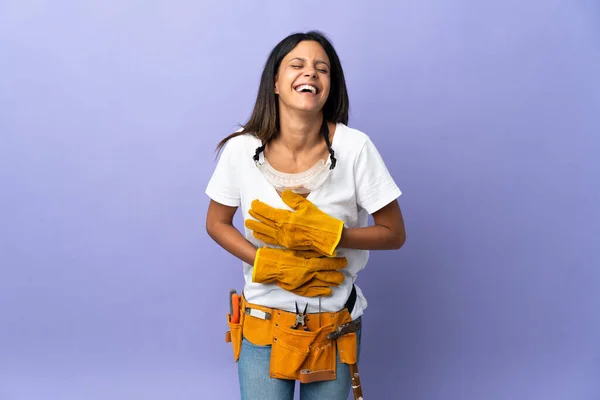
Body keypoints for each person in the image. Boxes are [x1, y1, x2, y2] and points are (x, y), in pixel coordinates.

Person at [205, 30, 406, 400]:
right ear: (276, 83)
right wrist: (266, 261)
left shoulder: (355, 148)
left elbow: (394, 233)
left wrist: (333, 234)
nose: (310, 73)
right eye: (297, 65)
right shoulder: (240, 148)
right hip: (263, 322)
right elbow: (216, 222)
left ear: (331, 85)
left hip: (333, 325)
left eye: (322, 69)